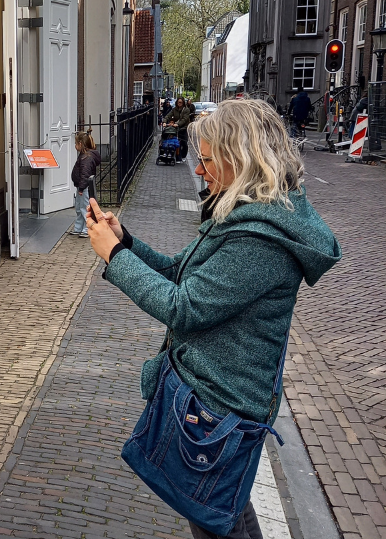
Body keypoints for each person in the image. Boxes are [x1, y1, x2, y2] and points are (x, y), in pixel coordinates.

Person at [85, 99, 341, 539]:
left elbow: (183, 308)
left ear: (240, 160)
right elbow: (179, 272)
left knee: (213, 518)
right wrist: (124, 241)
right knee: (223, 513)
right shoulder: (247, 214)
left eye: (206, 160)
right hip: (213, 401)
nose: (199, 170)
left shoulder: (260, 240)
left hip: (218, 410)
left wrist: (112, 256)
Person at [69, 128, 101, 238]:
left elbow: (85, 174)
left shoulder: (86, 157)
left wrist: (82, 187)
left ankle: (87, 229)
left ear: (80, 144)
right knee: (79, 208)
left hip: (84, 187)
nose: (75, 146)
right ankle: (78, 228)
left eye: (75, 144)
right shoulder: (85, 155)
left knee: (84, 208)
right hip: (81, 186)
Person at [163, 96, 190, 162]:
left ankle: (183, 156)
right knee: (177, 142)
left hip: (184, 128)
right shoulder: (174, 109)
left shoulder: (186, 110)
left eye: (180, 102)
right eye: (178, 102)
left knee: (184, 143)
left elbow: (184, 119)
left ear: (183, 103)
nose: (179, 103)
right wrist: (164, 122)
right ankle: (178, 157)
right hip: (176, 128)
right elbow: (168, 115)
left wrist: (178, 124)